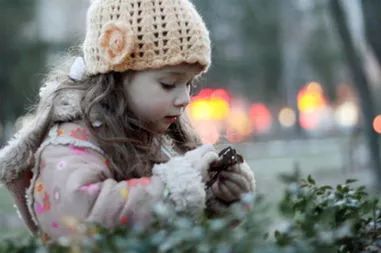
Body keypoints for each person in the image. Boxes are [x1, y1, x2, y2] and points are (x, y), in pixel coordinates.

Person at [0, 0, 255, 241]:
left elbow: (179, 232)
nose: (185, 98)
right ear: (117, 78)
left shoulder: (161, 137)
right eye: (168, 84)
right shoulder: (72, 142)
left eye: (189, 83)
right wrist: (171, 188)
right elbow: (76, 217)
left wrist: (215, 198)